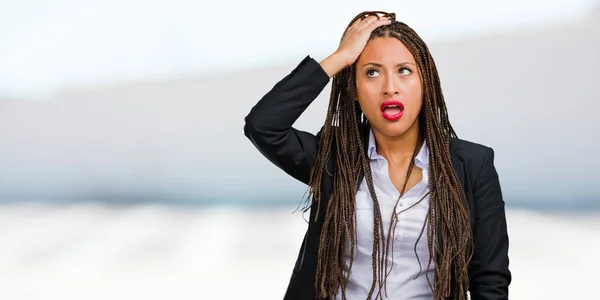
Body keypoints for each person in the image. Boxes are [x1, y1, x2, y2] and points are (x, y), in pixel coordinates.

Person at [243, 11, 511, 300]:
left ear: (425, 82)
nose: (389, 87)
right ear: (354, 89)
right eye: (372, 72)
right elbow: (263, 126)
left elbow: (489, 280)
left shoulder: (472, 165)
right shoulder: (335, 156)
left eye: (404, 71)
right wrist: (340, 57)